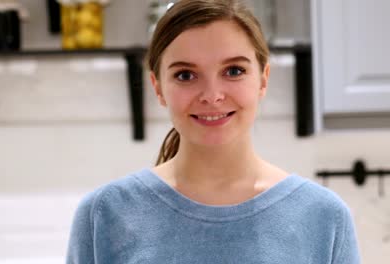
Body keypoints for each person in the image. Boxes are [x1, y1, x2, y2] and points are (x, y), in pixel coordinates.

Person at [66, 0, 361, 263]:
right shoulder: (104, 214)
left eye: (233, 71)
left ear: (263, 79)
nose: (212, 95)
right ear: (158, 87)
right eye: (186, 75)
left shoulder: (323, 216)